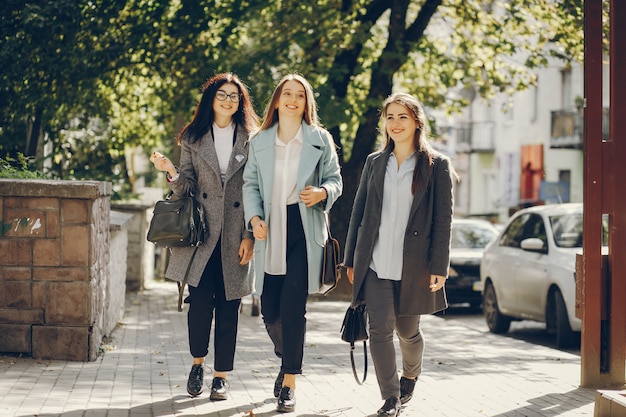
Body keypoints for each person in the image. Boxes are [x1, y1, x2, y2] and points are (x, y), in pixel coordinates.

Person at [342, 93, 457, 416]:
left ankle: (411, 374)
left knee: (407, 331)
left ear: (417, 121)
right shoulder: (374, 163)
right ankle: (391, 398)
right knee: (379, 330)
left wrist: (439, 266)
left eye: (402, 117)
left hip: (415, 267)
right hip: (376, 263)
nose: (395, 123)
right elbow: (359, 213)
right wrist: (351, 258)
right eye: (390, 117)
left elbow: (443, 220)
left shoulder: (437, 166)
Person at [149, 72, 259, 401]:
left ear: (241, 103)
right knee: (198, 305)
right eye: (222, 95)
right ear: (211, 99)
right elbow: (188, 187)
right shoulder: (193, 138)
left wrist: (250, 234)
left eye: (234, 96)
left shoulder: (253, 138)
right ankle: (198, 363)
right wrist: (171, 171)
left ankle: (221, 376)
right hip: (202, 234)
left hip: (236, 233)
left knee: (229, 307)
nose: (228, 100)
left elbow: (256, 189)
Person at [242, 73, 342, 413]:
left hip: (304, 227)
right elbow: (250, 185)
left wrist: (323, 192)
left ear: (306, 102)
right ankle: (288, 358)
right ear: (277, 100)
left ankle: (289, 383)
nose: (293, 99)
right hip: (270, 228)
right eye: (287, 93)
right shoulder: (260, 140)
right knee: (270, 309)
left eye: (300, 95)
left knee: (293, 308)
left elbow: (335, 180)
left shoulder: (320, 138)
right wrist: (254, 219)